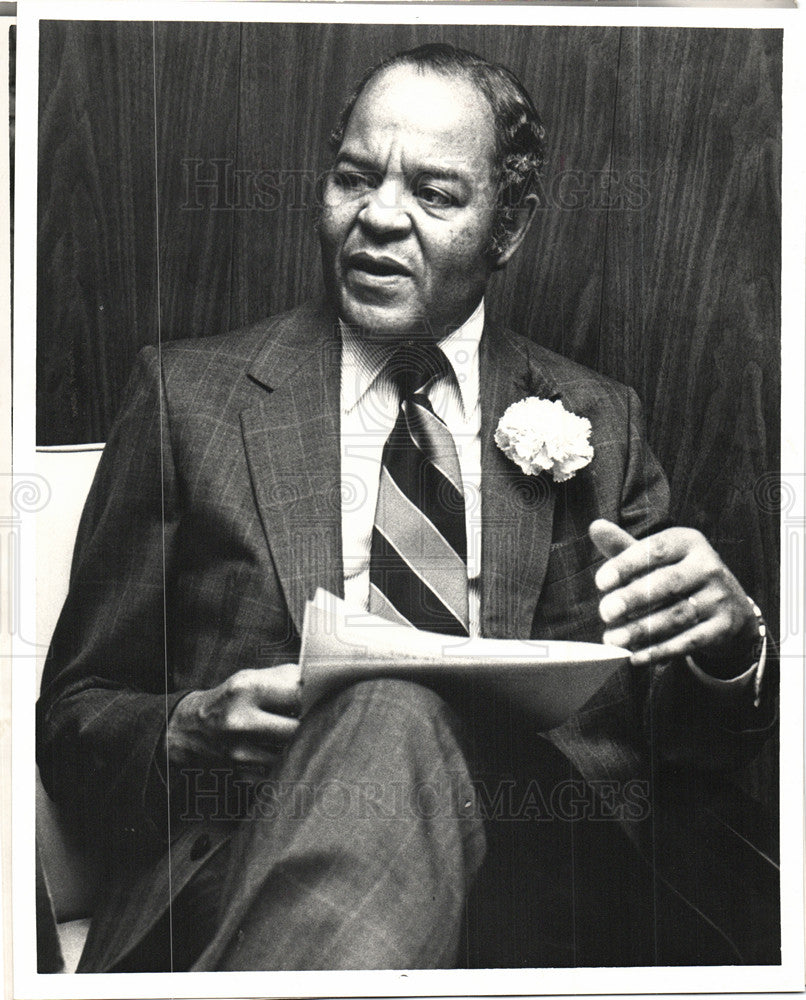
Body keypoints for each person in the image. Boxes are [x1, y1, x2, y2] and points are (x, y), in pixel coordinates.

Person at [36, 43, 777, 972]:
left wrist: (729, 647)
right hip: (252, 862)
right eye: (355, 177)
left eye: (433, 194)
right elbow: (73, 718)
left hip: (555, 893)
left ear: (507, 230)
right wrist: (185, 725)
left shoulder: (601, 420)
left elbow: (691, 757)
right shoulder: (188, 399)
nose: (378, 217)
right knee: (391, 712)